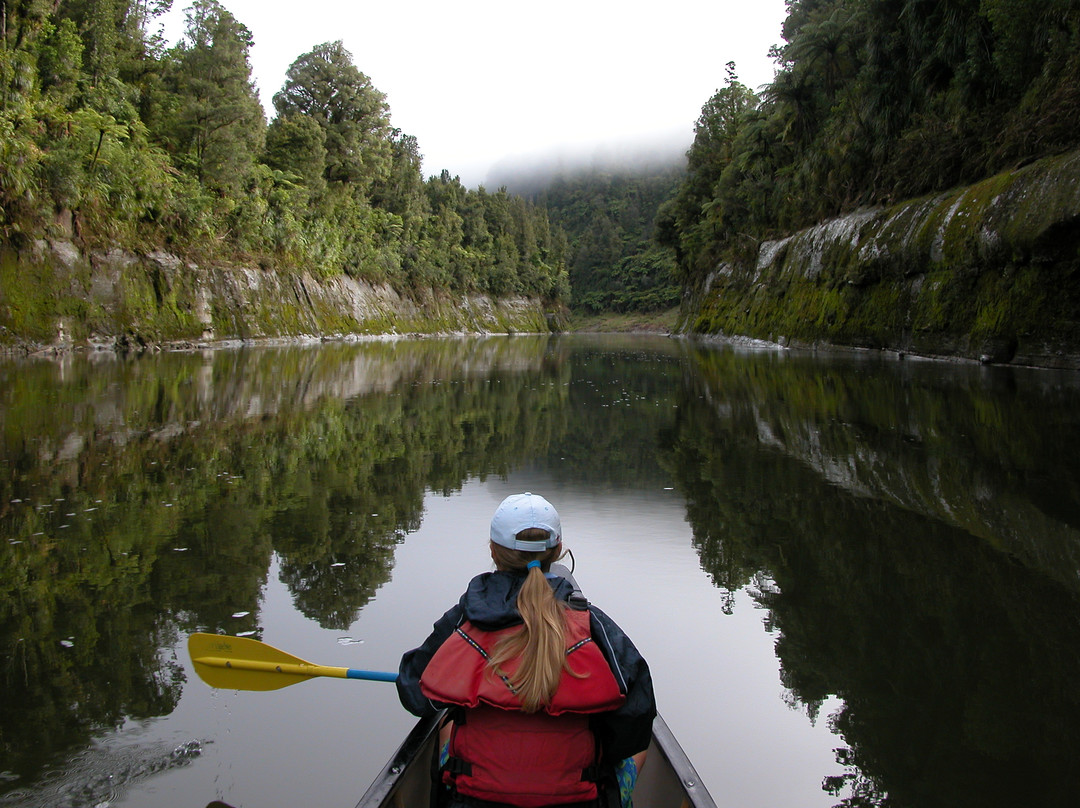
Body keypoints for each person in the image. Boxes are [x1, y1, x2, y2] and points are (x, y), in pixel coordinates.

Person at [397, 492, 656, 808]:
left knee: (446, 720)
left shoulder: (465, 619)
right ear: (558, 551)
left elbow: (414, 690)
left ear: (493, 551)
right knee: (640, 746)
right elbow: (638, 710)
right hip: (575, 801)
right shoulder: (592, 624)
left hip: (475, 801)